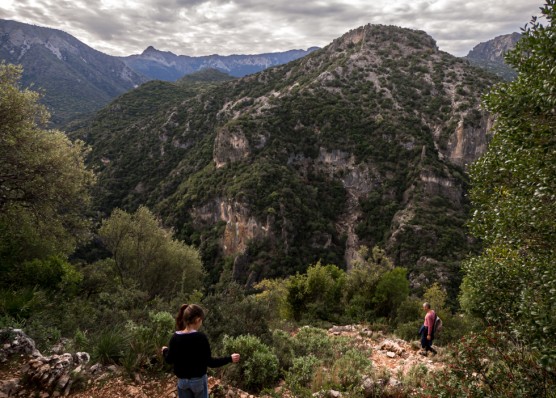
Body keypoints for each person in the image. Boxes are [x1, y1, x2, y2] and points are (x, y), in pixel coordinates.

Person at [162, 304, 240, 398]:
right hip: (198, 381)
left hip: (182, 382)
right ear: (198, 320)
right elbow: (210, 362)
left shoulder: (175, 338)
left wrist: (165, 350)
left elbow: (169, 360)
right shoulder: (201, 338)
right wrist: (230, 358)